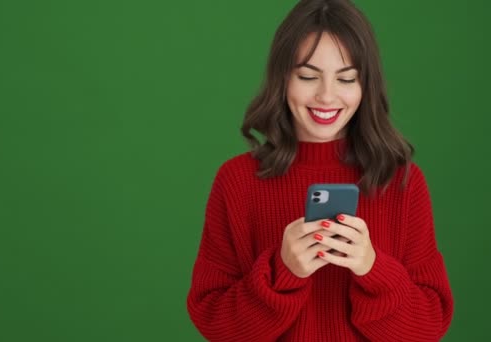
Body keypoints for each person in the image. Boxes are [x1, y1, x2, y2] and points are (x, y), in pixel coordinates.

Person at [186, 0, 454, 341]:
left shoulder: (402, 182)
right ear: (282, 78)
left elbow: (429, 326)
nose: (327, 96)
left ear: (364, 86)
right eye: (308, 76)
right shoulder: (237, 181)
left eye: (346, 78)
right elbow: (215, 322)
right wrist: (282, 272)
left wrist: (372, 268)